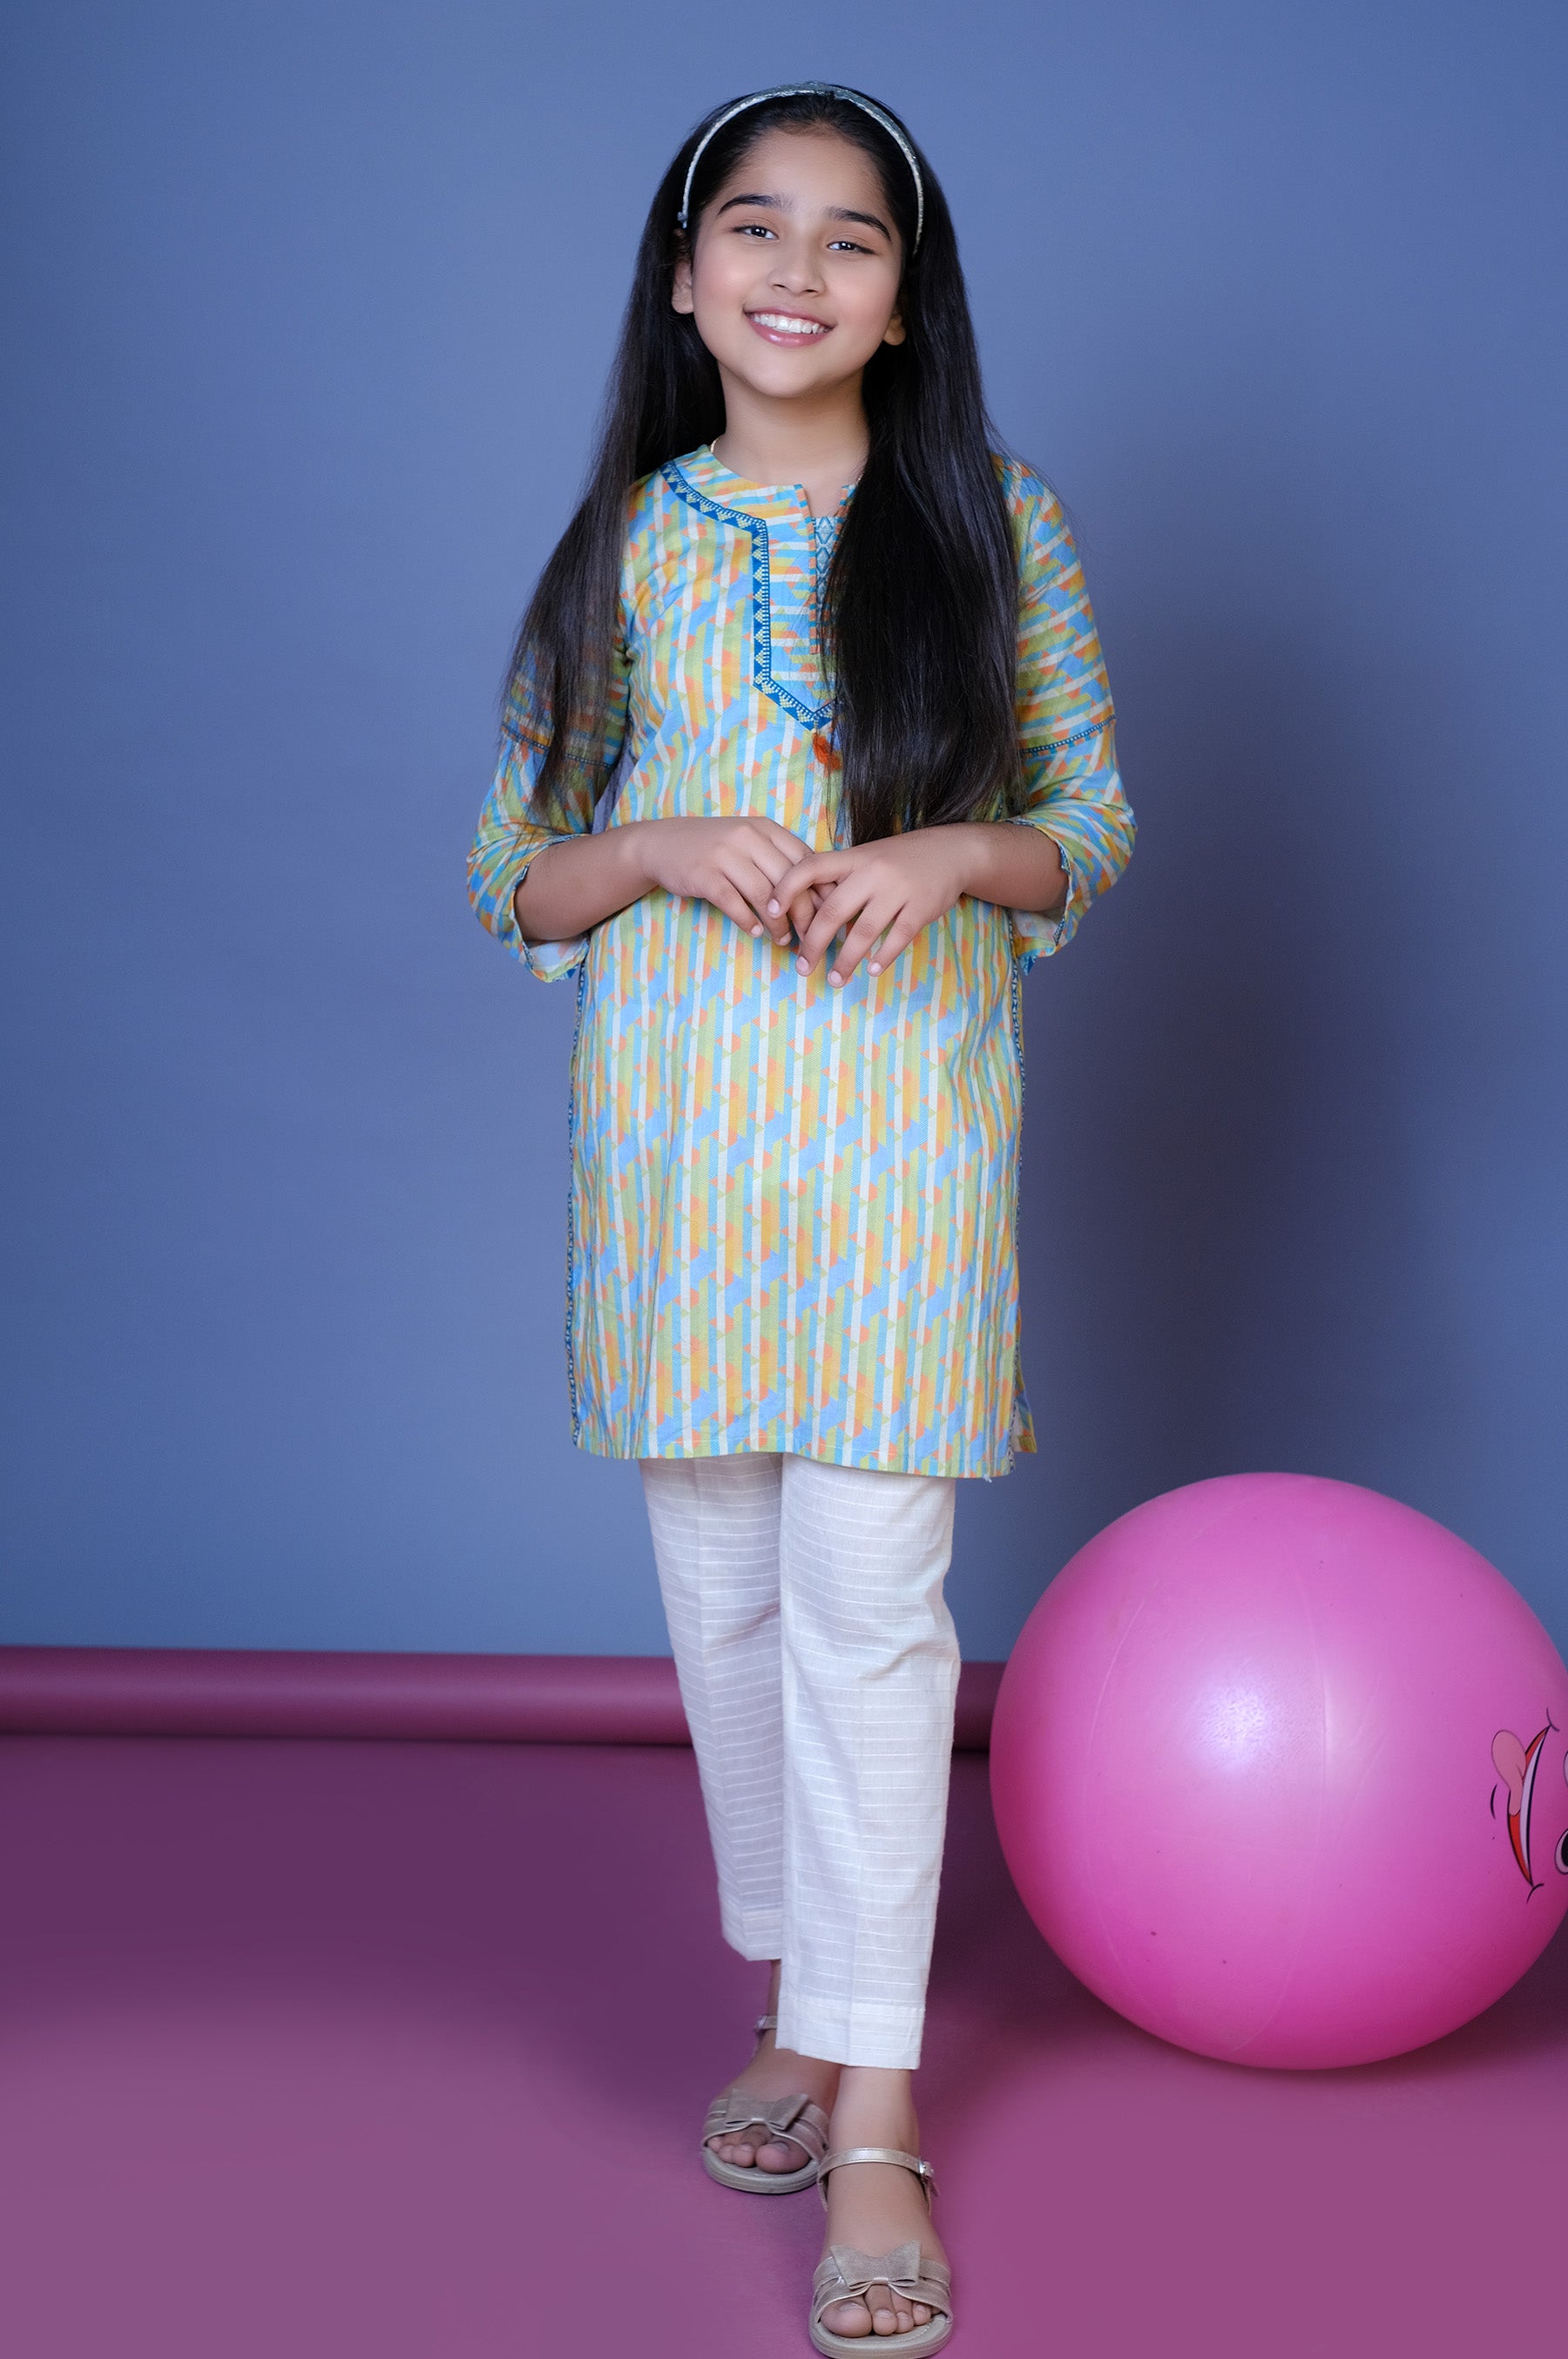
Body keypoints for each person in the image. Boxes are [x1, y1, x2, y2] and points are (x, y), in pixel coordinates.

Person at [468, 81, 1134, 2354]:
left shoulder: (997, 527)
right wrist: (662, 845)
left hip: (902, 1164)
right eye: (753, 229)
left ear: (905, 302)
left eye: (852, 240)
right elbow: (512, 873)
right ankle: (802, 1995)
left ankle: (875, 2113)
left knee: (874, 1617)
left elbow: (1090, 827)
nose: (796, 270)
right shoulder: (621, 548)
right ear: (683, 280)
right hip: (680, 1174)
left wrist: (949, 853)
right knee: (730, 1611)